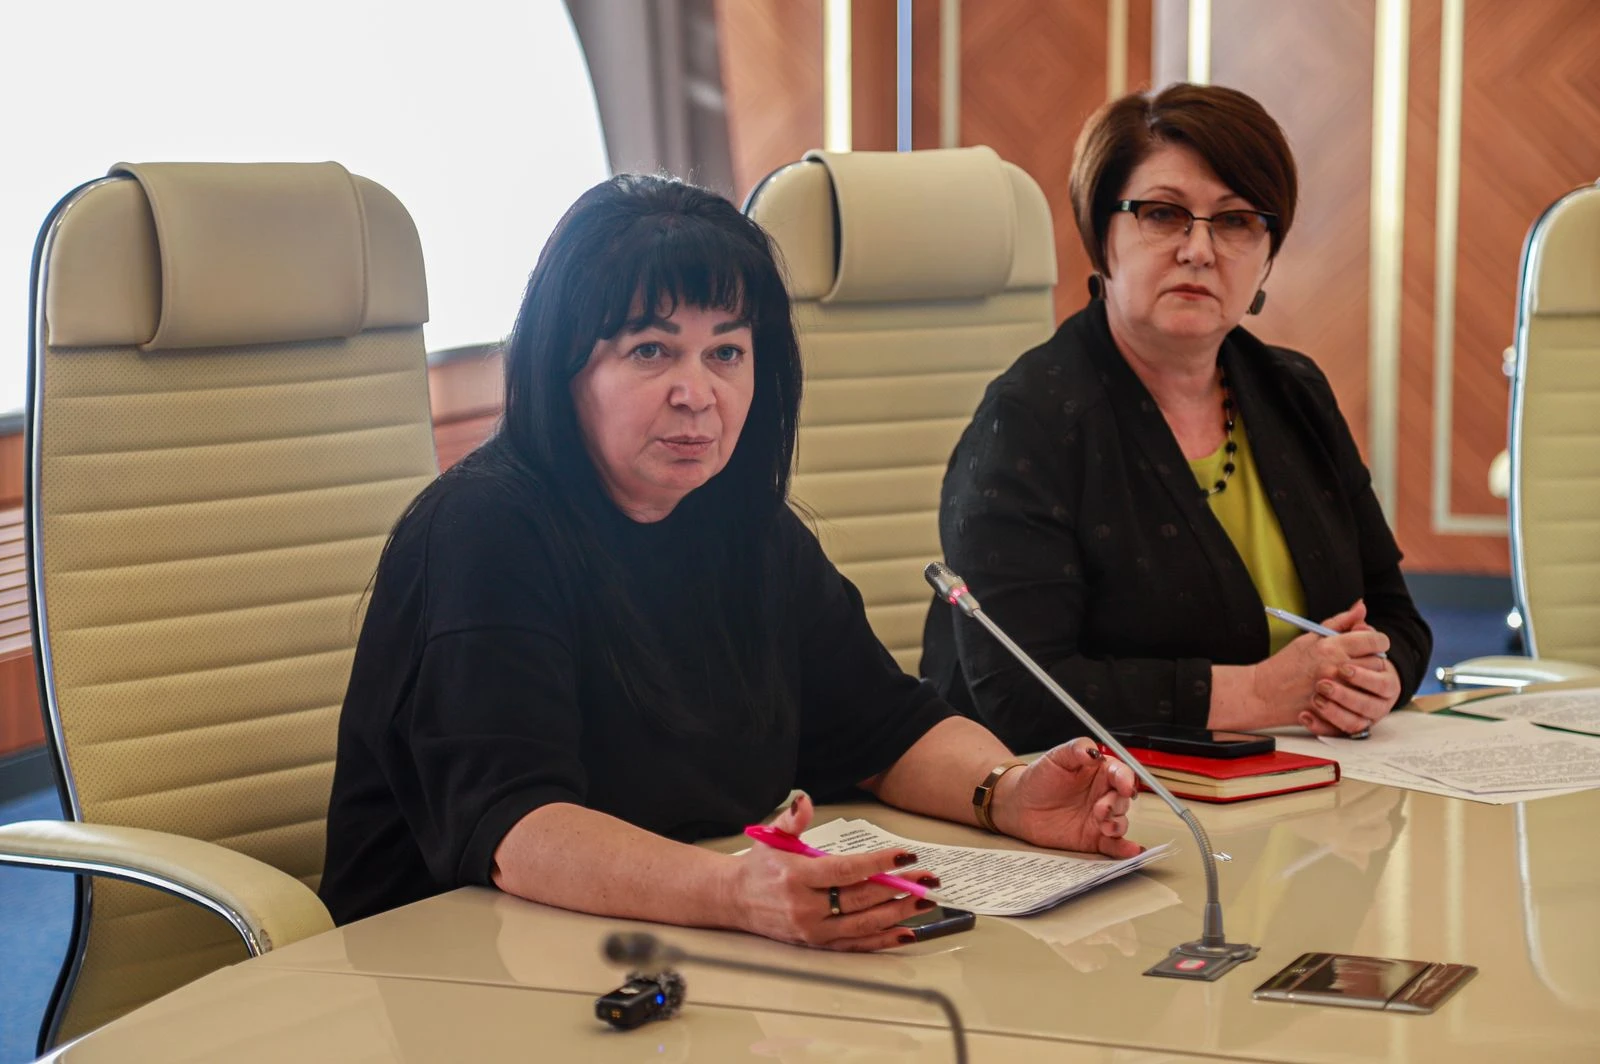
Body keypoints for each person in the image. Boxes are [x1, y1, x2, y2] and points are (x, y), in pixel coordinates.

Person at [320, 174, 1140, 950]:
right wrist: (736, 894)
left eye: (726, 353)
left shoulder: (746, 526)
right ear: (562, 368)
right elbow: (516, 828)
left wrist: (1008, 793)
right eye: (651, 351)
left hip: (654, 946)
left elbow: (884, 726)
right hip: (454, 965)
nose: (697, 392)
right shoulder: (483, 532)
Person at [921, 84, 1432, 755]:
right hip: (1092, 794)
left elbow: (1397, 616)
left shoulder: (1295, 392)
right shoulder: (1029, 421)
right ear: (1102, 235)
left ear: (1267, 255)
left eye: (1236, 221)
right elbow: (1018, 693)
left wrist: (1377, 678)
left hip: (1305, 780)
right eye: (1163, 214)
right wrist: (1259, 693)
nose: (1199, 249)